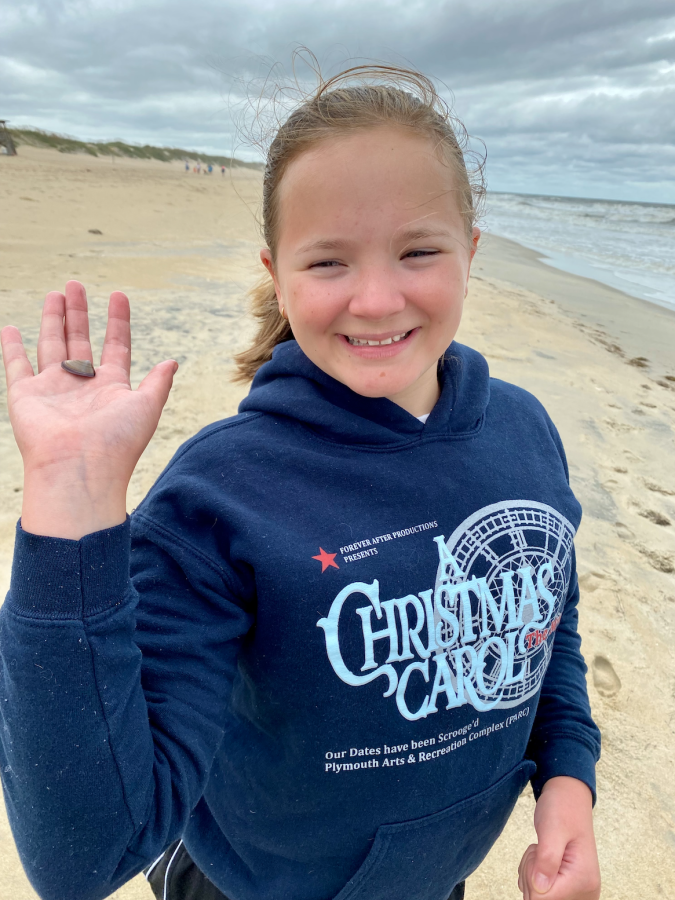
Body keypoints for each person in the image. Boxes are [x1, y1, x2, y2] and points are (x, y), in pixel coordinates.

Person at [0, 64, 601, 900]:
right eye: (327, 262)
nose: (375, 297)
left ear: (469, 250)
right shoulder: (221, 496)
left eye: (417, 250)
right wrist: (70, 503)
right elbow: (82, 856)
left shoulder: (521, 430)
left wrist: (567, 782)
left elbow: (544, 624)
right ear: (277, 273)